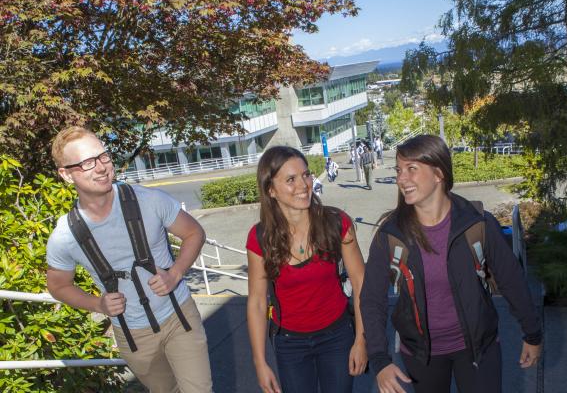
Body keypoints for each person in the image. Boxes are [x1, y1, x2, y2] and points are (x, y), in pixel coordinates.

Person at [360, 135, 542, 393]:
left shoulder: (477, 223)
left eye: (412, 169)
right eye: (399, 170)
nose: (401, 179)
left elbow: (511, 280)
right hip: (421, 355)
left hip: (480, 348)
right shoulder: (391, 234)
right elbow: (372, 300)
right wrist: (380, 359)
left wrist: (532, 334)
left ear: (438, 174)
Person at [46, 127, 213, 393]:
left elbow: (194, 232)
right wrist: (97, 303)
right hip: (133, 335)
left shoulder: (150, 200)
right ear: (66, 174)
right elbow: (57, 285)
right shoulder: (65, 236)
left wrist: (176, 273)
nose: (100, 167)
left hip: (178, 316)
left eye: (103, 157)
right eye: (87, 163)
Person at [246, 146, 368, 393]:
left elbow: (361, 283)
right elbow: (258, 302)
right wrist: (260, 362)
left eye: (306, 175)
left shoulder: (337, 223)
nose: (303, 185)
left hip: (337, 336)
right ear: (271, 190)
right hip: (289, 343)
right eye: (290, 179)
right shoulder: (260, 238)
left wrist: (361, 340)